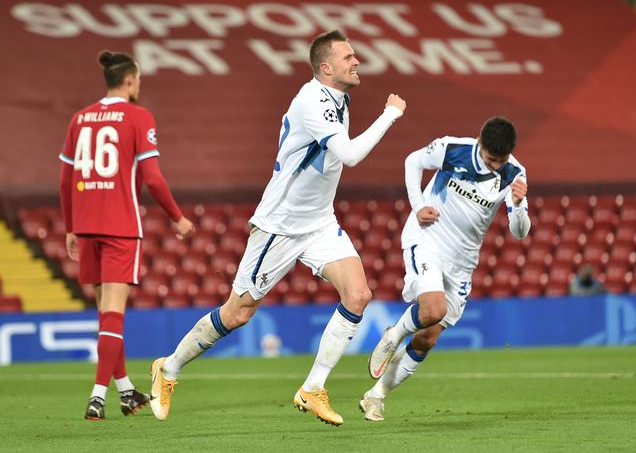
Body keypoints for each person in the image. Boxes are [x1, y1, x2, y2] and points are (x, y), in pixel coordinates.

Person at [150, 30, 406, 426]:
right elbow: (351, 155)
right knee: (237, 315)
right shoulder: (312, 101)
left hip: (319, 222)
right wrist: (390, 114)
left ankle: (312, 388)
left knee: (358, 295)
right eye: (349, 57)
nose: (357, 62)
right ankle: (169, 368)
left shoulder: (341, 98)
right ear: (326, 67)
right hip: (280, 226)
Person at [360, 117, 530, 421]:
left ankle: (376, 396)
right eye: (491, 159)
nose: (495, 166)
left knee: (427, 337)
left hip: (463, 261)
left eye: (501, 160)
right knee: (433, 308)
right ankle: (392, 336)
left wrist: (517, 205)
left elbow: (519, 232)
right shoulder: (453, 148)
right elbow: (413, 160)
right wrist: (416, 206)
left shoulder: (514, 173)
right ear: (480, 143)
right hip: (428, 238)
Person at [59, 50, 195, 420]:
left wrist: (70, 226)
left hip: (85, 225)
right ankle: (97, 396)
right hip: (119, 225)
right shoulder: (138, 116)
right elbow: (152, 178)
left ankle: (126, 391)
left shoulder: (80, 118)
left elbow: (66, 180)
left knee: (106, 314)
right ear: (131, 81)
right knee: (114, 315)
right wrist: (178, 218)